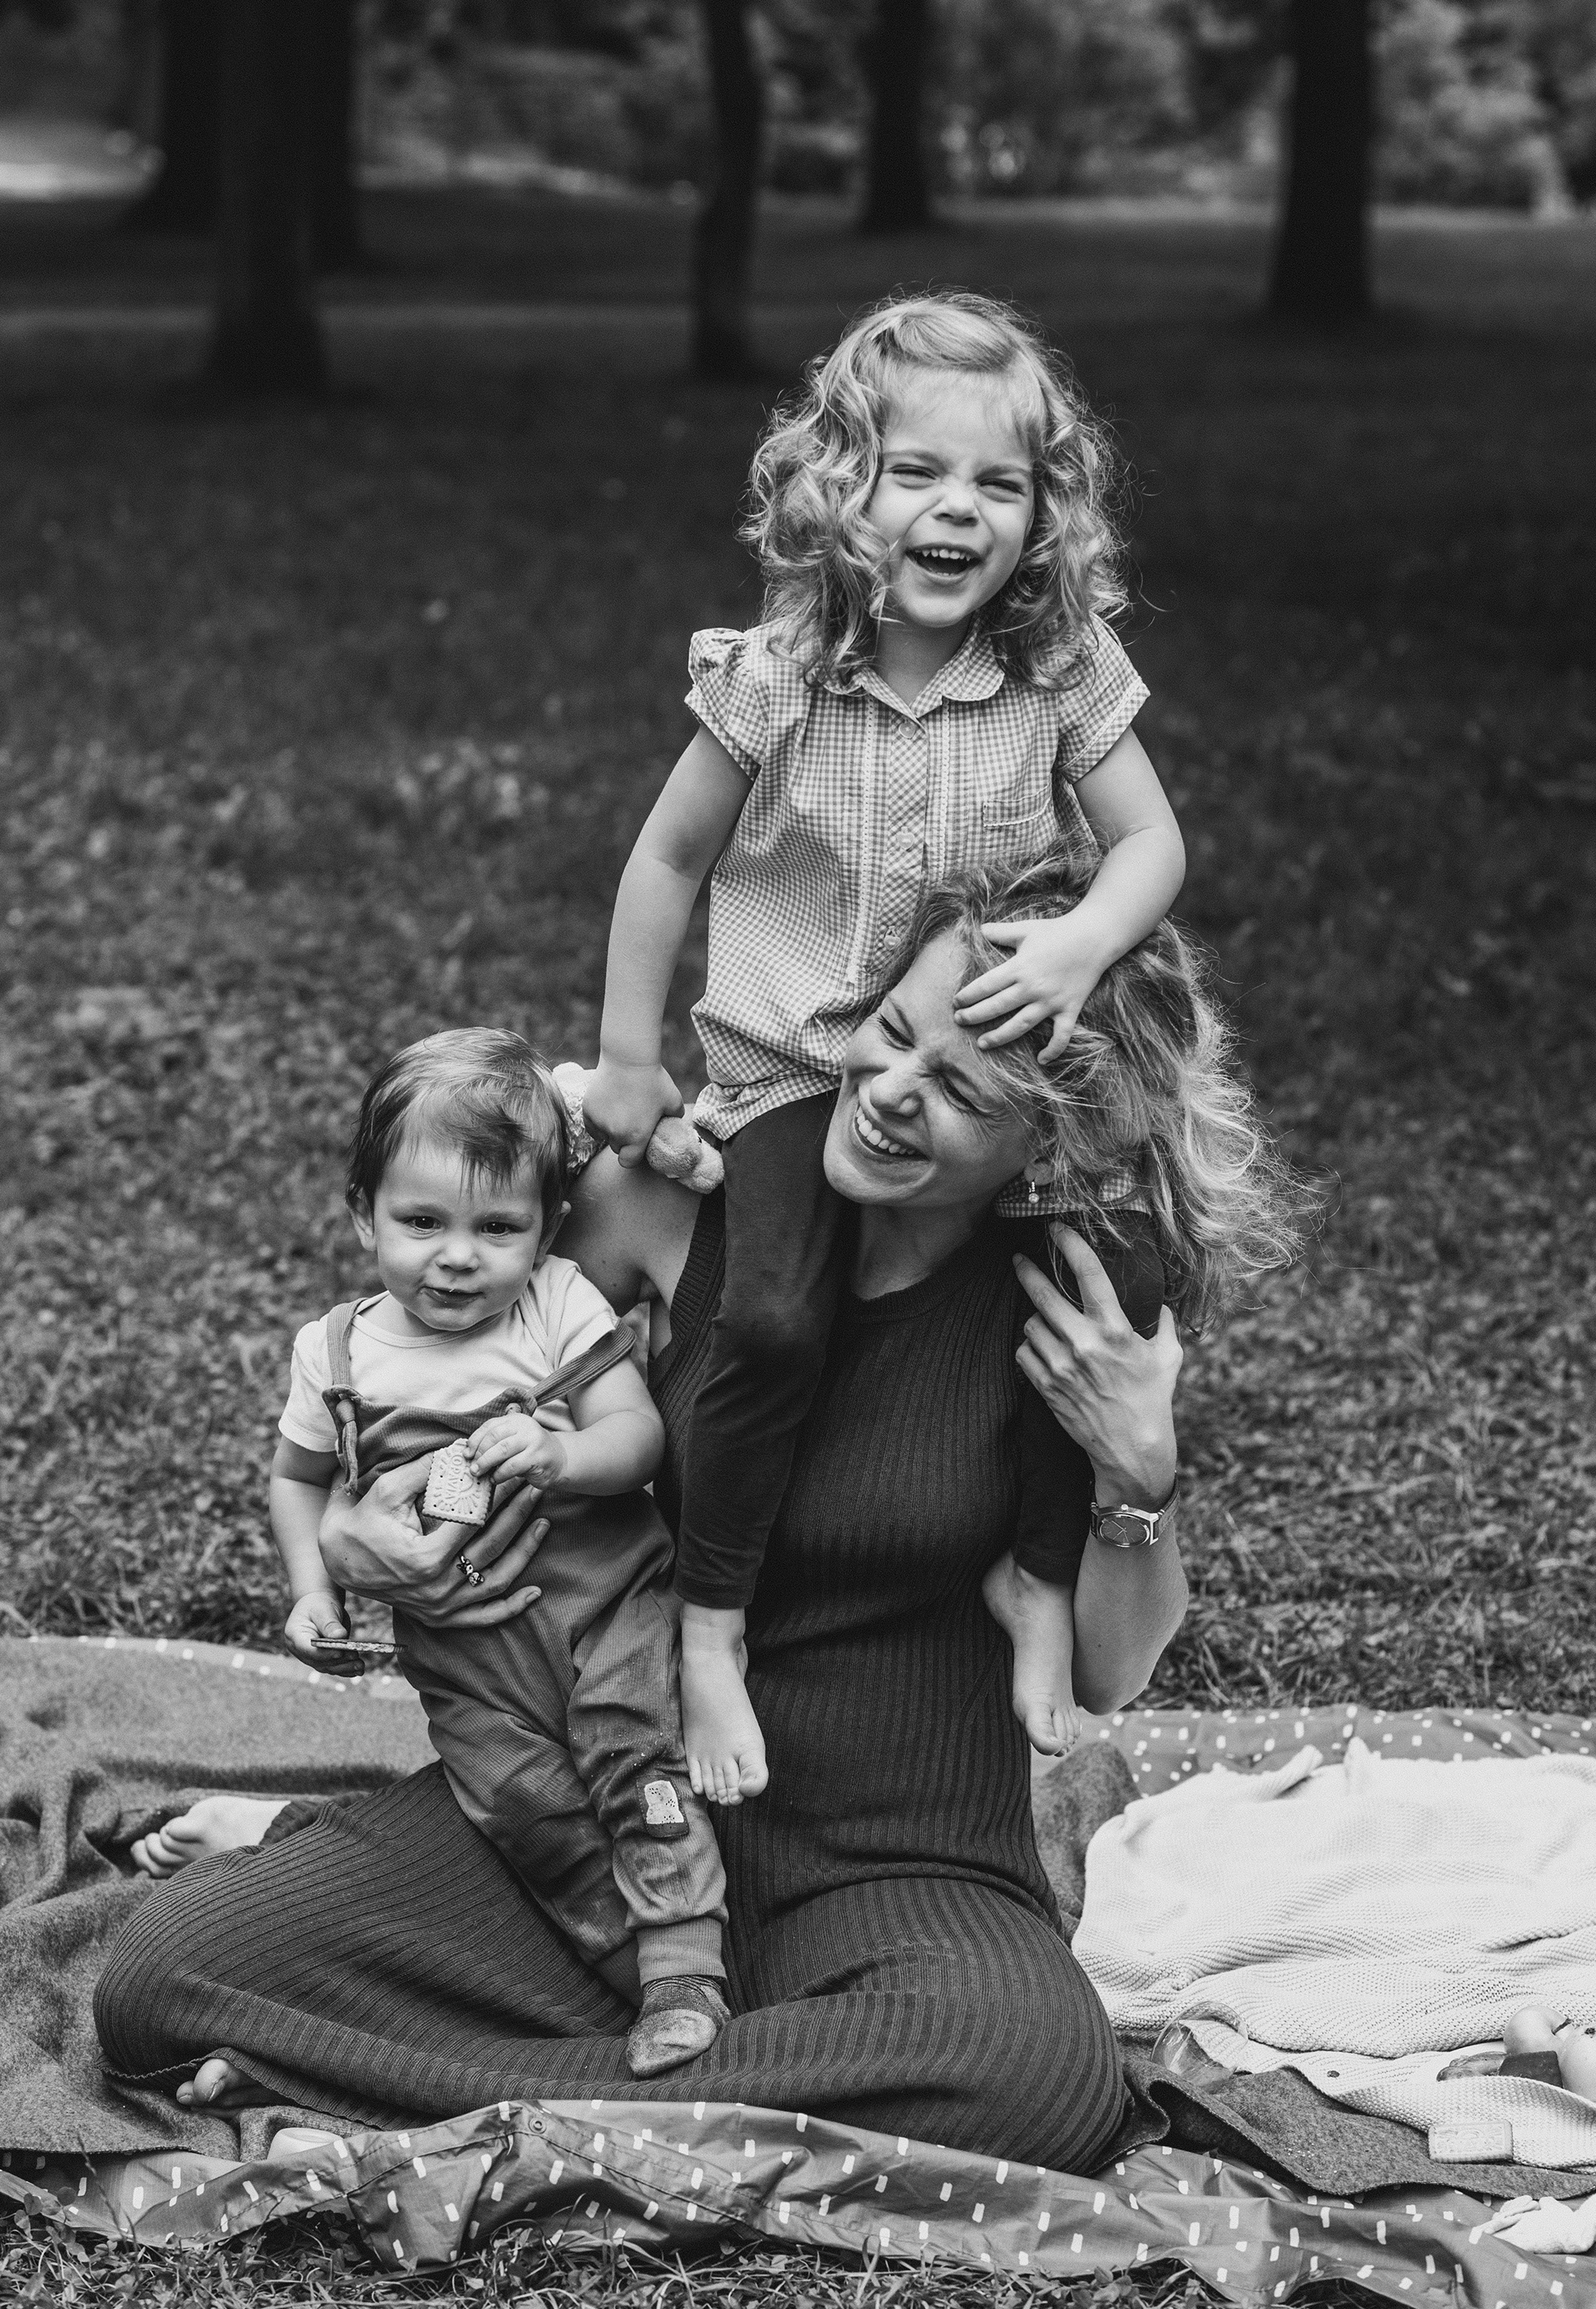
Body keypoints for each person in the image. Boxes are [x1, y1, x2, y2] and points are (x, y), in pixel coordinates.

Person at [96, 855, 1298, 2172]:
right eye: (894, 1031)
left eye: (962, 1092)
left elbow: (1106, 1673)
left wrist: (1138, 1473)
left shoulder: (1074, 1300)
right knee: (163, 1977)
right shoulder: (686, 1202)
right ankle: (662, 2072)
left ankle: (418, 2082)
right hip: (618, 1809)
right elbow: (462, 1387)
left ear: (1048, 1142)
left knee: (1035, 2081)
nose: (892, 1092)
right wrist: (354, 1538)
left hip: (897, 1871)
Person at [581, 291, 1188, 1812]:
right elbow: (666, 860)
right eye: (917, 471)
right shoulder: (780, 673)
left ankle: (1036, 1577)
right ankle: (711, 1622)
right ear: (842, 488)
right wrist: (628, 1063)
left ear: (1044, 516)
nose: (958, 509)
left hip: (978, 1046)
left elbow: (1154, 845)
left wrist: (1080, 944)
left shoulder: (1057, 670)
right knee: (773, 1318)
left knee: (1103, 1284)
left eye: (1000, 483)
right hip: (805, 1068)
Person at [273, 1027, 732, 2078]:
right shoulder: (335, 1354)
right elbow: (298, 1481)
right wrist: (310, 1587)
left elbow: (638, 1437)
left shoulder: (555, 1305)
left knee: (633, 1755)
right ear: (362, 1215)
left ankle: (683, 1965)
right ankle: (616, 1974)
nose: (458, 1255)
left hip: (601, 1607)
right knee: (523, 1808)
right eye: (422, 1222)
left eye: (498, 1226)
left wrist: (562, 1454)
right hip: (465, 1660)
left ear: (549, 1227)